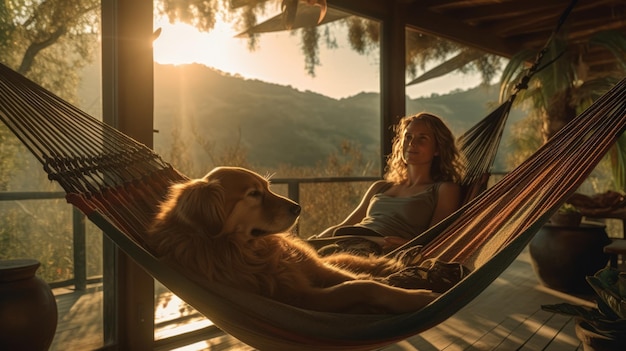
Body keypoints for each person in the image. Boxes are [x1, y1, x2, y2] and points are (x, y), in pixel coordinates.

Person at [309, 112, 466, 253]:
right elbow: (342, 226)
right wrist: (309, 243)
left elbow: (437, 241)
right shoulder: (381, 187)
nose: (412, 143)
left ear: (437, 149)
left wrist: (405, 245)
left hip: (381, 249)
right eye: (408, 137)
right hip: (348, 239)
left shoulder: (444, 189)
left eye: (422, 138)